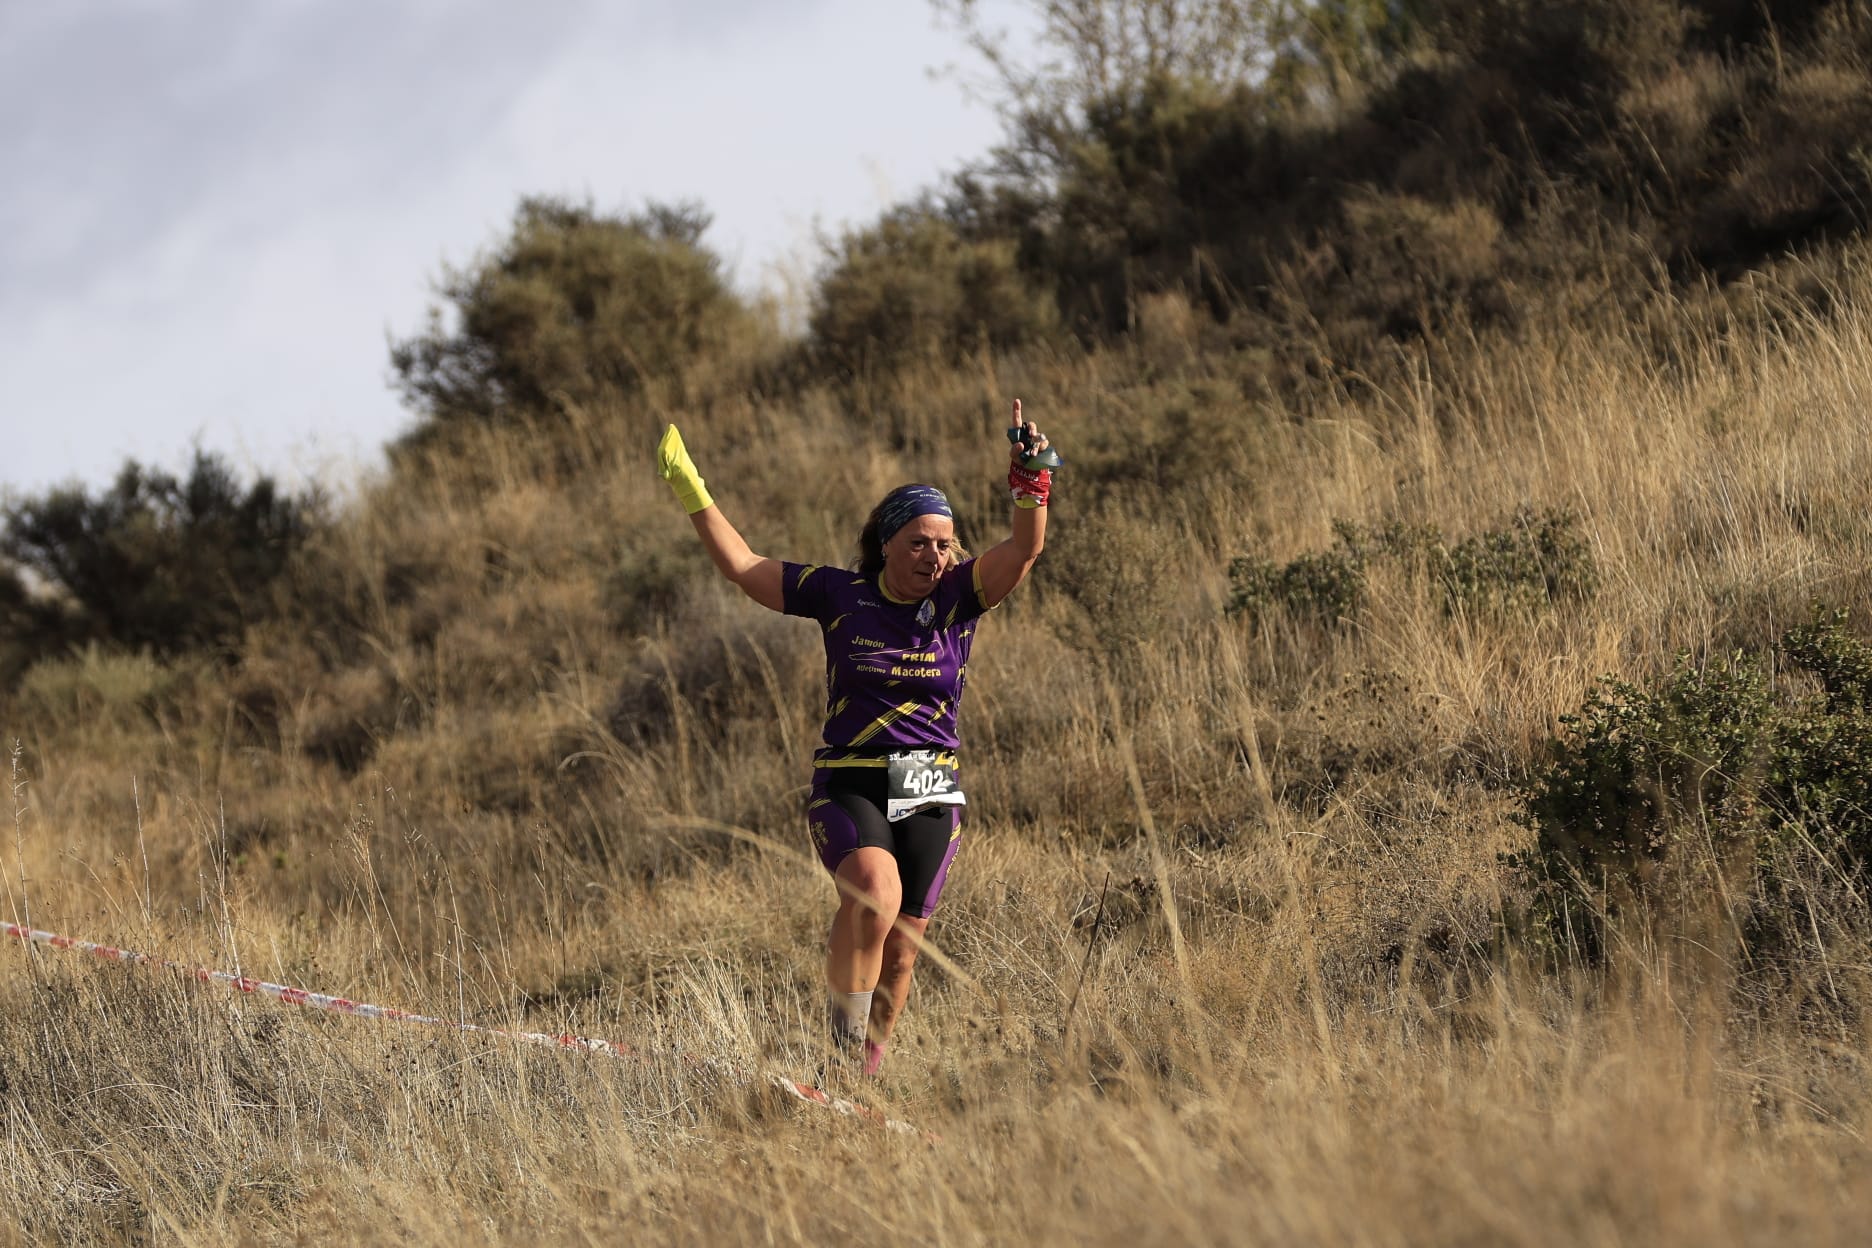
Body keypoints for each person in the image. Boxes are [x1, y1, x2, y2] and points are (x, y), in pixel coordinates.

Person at [655, 400, 1053, 1078]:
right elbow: (744, 565)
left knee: (902, 955)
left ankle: (863, 1077)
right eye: (919, 542)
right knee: (873, 891)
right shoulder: (839, 594)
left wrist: (1032, 481)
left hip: (930, 780)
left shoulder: (960, 596)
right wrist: (693, 491)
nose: (934, 555)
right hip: (851, 776)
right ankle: (837, 1058)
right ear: (886, 543)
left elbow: (1025, 548)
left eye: (944, 543)